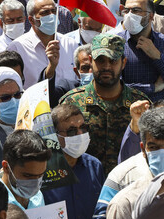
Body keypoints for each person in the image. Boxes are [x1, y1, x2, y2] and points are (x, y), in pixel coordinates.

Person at [60, 33, 150, 175]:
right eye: (100, 60)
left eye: (113, 61)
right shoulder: (71, 102)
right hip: (85, 185)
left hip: (126, 185)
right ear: (91, 61)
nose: (106, 66)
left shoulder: (140, 105)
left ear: (124, 62)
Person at [43, 103, 104, 219]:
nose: (80, 134)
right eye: (71, 131)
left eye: (83, 127)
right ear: (56, 136)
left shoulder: (94, 166)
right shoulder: (43, 171)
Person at [7, 0, 79, 89]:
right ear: (32, 20)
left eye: (53, 11)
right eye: (45, 12)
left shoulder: (71, 44)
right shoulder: (17, 48)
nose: (51, 16)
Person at [119, 0, 164, 100]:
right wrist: (152, 88)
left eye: (136, 10)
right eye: (126, 10)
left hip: (161, 111)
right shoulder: (117, 43)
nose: (129, 15)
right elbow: (114, 86)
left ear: (151, 16)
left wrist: (158, 57)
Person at [0, 129, 51, 210]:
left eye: (40, 175)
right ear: (6, 167)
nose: (35, 184)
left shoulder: (37, 196)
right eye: (28, 176)